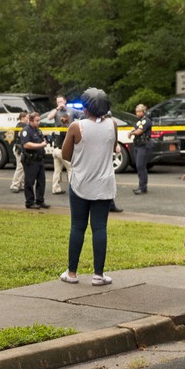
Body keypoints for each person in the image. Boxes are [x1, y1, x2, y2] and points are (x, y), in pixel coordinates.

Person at [60, 87, 117, 286]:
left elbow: (65, 155)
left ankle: (72, 272)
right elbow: (113, 145)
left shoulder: (77, 127)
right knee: (100, 227)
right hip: (104, 183)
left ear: (85, 108)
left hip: (81, 182)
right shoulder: (113, 124)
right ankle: (99, 275)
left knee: (77, 226)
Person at [20, 111, 50, 209]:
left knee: (41, 181)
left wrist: (45, 141)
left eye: (39, 120)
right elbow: (26, 144)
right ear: (31, 120)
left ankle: (40, 200)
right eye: (37, 121)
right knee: (29, 182)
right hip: (31, 160)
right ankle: (29, 202)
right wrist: (41, 145)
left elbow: (41, 140)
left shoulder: (37, 130)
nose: (38, 122)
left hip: (39, 160)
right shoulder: (26, 130)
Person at [129, 103, 153, 194]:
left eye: (139, 111)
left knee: (141, 166)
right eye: (136, 112)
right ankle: (141, 186)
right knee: (139, 166)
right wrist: (130, 131)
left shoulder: (146, 121)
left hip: (144, 145)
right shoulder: (139, 121)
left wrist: (132, 133)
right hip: (138, 145)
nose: (137, 113)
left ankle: (143, 187)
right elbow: (135, 128)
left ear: (144, 112)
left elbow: (139, 131)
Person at [51, 113, 72, 194]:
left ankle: (55, 188)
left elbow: (53, 136)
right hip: (61, 151)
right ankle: (72, 189)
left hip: (55, 150)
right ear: (68, 119)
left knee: (57, 170)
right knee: (70, 169)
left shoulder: (57, 127)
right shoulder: (65, 128)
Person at [10, 112, 28, 193]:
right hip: (19, 149)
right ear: (23, 118)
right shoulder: (22, 126)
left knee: (23, 167)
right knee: (20, 167)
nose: (28, 119)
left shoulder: (19, 125)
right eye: (27, 117)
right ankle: (15, 185)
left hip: (19, 148)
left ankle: (21, 185)